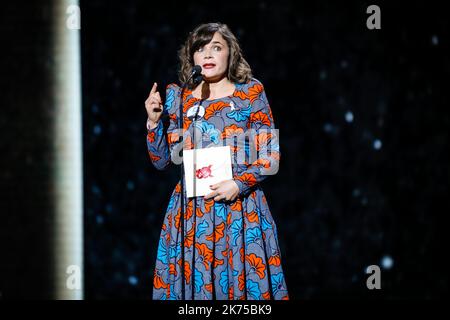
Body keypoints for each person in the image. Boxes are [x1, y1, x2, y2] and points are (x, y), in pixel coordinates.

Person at [145, 22, 289, 300]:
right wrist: (153, 124)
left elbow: (271, 155)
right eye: (200, 49)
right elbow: (162, 161)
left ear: (230, 53)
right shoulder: (180, 97)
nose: (208, 55)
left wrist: (239, 184)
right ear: (192, 58)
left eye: (216, 47)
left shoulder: (251, 92)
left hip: (240, 211)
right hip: (190, 215)